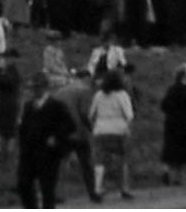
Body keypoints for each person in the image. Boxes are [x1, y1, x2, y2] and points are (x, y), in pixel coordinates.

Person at [17, 72, 76, 208]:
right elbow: (24, 128)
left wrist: (56, 137)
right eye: (33, 88)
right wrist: (22, 145)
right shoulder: (28, 106)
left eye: (37, 87)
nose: (35, 90)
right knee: (23, 184)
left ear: (45, 87)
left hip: (48, 153)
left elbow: (70, 125)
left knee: (47, 189)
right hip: (29, 152)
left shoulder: (56, 105)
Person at [89, 68, 135, 201]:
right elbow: (129, 115)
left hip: (100, 130)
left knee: (99, 161)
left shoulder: (98, 95)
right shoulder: (122, 95)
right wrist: (128, 130)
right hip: (119, 130)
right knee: (123, 160)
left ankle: (97, 188)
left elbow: (91, 114)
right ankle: (124, 188)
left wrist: (94, 127)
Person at [52, 69, 98, 201]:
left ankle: (56, 192)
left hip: (61, 131)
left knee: (61, 162)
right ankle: (93, 191)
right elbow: (84, 113)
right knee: (86, 163)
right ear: (87, 78)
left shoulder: (60, 91)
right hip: (78, 131)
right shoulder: (84, 90)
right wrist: (91, 128)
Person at [160, 63, 186, 185]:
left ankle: (166, 170)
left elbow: (163, 105)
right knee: (182, 148)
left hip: (171, 121)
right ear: (184, 76)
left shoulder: (171, 89)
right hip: (184, 122)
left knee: (169, 146)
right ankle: (177, 178)